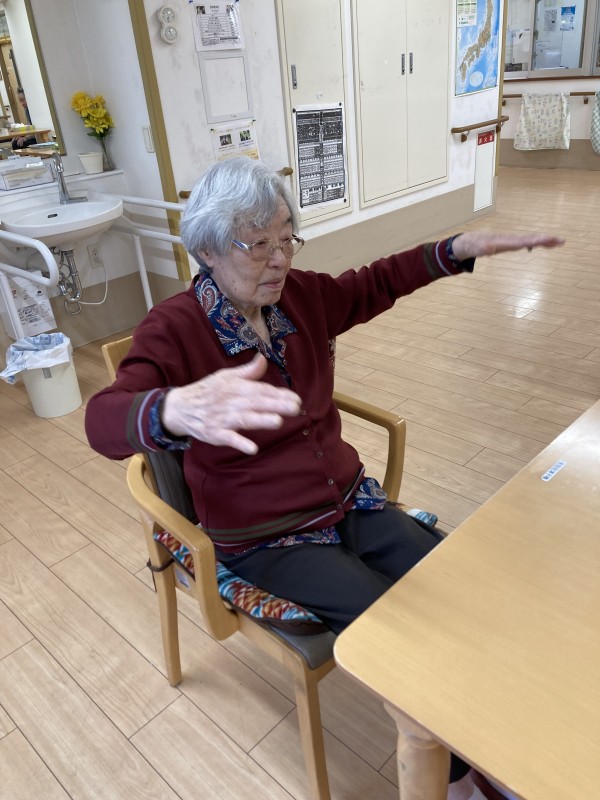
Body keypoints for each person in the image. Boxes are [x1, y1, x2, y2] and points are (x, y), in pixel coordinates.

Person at [85, 157, 563, 799]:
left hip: (350, 501)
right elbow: (102, 421)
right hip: (267, 537)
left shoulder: (303, 297)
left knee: (455, 589)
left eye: (287, 240)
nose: (279, 260)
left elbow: (374, 283)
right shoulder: (173, 328)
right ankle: (456, 778)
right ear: (207, 250)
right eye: (258, 244)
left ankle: (501, 729)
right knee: (397, 636)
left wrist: (452, 251)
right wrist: (171, 409)